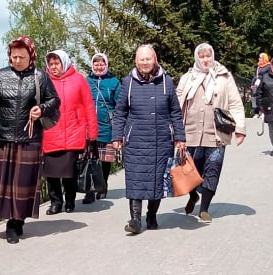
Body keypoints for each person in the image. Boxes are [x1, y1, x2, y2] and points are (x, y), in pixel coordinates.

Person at [0, 36, 60, 244]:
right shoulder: (1, 76)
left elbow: (55, 100)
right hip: (3, 137)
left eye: (22, 56)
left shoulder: (40, 76)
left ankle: (16, 221)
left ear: (31, 55)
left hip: (29, 137)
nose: (17, 60)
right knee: (4, 183)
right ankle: (11, 222)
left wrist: (42, 109)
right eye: (14, 57)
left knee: (23, 183)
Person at [112, 44, 186, 234]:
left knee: (157, 181)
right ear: (136, 61)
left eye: (148, 59)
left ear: (155, 60)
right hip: (135, 140)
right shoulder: (128, 83)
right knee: (135, 179)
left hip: (162, 140)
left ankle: (151, 215)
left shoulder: (167, 82)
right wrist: (116, 137)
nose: (145, 62)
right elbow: (120, 112)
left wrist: (179, 137)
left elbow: (175, 112)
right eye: (141, 59)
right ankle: (135, 220)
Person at [176, 42, 246, 223]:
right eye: (202, 56)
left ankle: (204, 209)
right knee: (190, 171)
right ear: (197, 58)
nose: (206, 60)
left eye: (208, 56)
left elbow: (236, 103)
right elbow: (175, 103)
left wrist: (240, 129)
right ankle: (193, 196)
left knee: (213, 169)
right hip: (190, 132)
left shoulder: (224, 77)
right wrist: (173, 129)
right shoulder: (187, 77)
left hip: (216, 133)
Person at [42, 49, 98, 215]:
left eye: (56, 63)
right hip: (50, 132)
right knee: (51, 172)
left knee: (69, 172)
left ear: (64, 63)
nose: (53, 67)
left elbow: (88, 105)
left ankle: (70, 200)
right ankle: (55, 202)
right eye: (50, 64)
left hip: (73, 132)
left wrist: (92, 132)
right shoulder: (44, 81)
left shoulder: (79, 80)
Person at [82, 53, 121, 204]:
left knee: (104, 161)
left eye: (102, 64)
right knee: (90, 160)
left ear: (106, 65)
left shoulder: (114, 82)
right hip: (88, 126)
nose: (99, 67)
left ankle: (102, 186)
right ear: (92, 65)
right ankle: (89, 191)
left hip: (106, 126)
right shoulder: (86, 81)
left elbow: (119, 105)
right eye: (96, 64)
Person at [256, 56, 273, 158]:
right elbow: (259, 92)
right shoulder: (265, 77)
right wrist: (260, 107)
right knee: (271, 129)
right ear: (271, 66)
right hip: (268, 107)